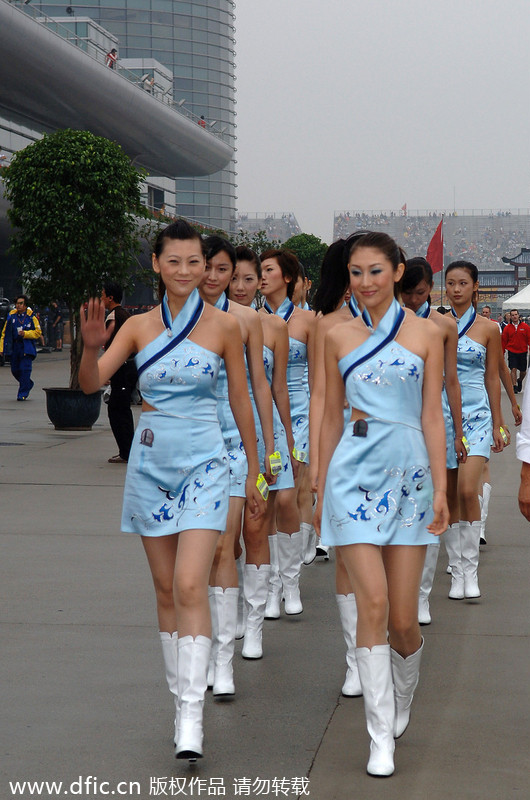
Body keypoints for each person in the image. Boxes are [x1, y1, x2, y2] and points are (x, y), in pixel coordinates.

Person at [79, 220, 264, 762]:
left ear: (207, 269)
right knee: (165, 590)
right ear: (156, 265)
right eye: (174, 262)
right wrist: (92, 350)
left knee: (190, 584)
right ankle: (177, 697)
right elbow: (92, 386)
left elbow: (240, 401)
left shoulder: (225, 327)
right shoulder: (137, 326)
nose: (186, 271)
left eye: (195, 262)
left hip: (207, 462)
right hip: (152, 463)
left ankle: (191, 715)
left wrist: (254, 469)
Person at [315, 231, 448, 777]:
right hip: (352, 472)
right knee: (369, 603)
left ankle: (403, 697)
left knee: (401, 620)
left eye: (375, 271)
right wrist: (318, 484)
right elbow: (326, 412)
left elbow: (432, 416)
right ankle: (378, 736)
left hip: (410, 473)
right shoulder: (334, 334)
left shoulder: (428, 333)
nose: (364, 282)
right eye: (355, 272)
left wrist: (441, 488)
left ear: (397, 272)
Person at [199, 235, 274, 693]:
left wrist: (266, 452)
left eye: (221, 269)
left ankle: (224, 657)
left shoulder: (247, 321)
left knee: (232, 542)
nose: (212, 276)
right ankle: (205, 646)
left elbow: (261, 387)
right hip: (188, 444)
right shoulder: (167, 322)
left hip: (235, 441)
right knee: (203, 554)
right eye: (205, 266)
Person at [229, 246, 297, 646]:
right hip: (218, 435)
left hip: (262, 431)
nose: (239, 286)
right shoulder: (207, 324)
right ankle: (230, 606)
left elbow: (276, 387)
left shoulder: (274, 327)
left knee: (256, 528)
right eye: (231, 277)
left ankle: (253, 622)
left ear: (260, 282)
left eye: (247, 279)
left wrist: (284, 437)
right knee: (225, 537)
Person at [401, 256, 466, 625]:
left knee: (428, 508)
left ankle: (421, 595)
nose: (412, 300)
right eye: (406, 293)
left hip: (433, 422)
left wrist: (458, 430)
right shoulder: (387, 322)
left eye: (420, 292)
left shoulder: (444, 325)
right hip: (395, 422)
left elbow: (452, 381)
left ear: (431, 288)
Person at [260, 249, 316, 614]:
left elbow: (320, 376)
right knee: (265, 504)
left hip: (299, 411)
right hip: (263, 412)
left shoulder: (309, 320)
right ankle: (270, 583)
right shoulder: (250, 319)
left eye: (268, 271)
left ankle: (290, 582)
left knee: (288, 497)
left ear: (288, 277)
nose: (261, 278)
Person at [444, 261, 504, 600]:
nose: (455, 289)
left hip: (478, 415)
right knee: (451, 492)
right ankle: (456, 570)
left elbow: (492, 376)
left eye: (462, 283)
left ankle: (471, 568)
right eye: (451, 283)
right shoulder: (436, 324)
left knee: (469, 490)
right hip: (444, 415)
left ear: (475, 286)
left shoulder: (488, 328)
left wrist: (497, 422)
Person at [101, 283, 138, 464]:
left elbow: (113, 347)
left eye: (103, 295)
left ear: (110, 298)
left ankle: (127, 451)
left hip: (122, 369)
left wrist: (109, 369)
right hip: (127, 368)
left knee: (118, 409)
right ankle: (127, 450)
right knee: (121, 408)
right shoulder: (125, 315)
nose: (101, 299)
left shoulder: (115, 316)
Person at [0, 295, 42, 400]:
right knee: (15, 370)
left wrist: (26, 334)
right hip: (15, 347)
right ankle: (28, 383)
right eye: (17, 303)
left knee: (25, 369)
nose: (18, 306)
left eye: (21, 303)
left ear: (25, 305)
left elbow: (38, 332)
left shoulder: (31, 317)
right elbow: (4, 333)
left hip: (26, 347)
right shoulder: (11, 316)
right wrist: (2, 348)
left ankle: (22, 393)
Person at [502, 309, 530, 393]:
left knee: (523, 371)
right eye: (512, 315)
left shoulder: (525, 327)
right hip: (512, 351)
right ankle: (514, 386)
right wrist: (502, 352)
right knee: (513, 369)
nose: (514, 316)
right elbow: (504, 341)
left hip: (522, 351)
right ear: (510, 316)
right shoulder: (507, 328)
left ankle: (520, 380)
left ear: (518, 315)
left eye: (515, 314)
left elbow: (529, 339)